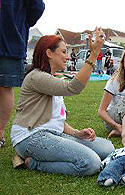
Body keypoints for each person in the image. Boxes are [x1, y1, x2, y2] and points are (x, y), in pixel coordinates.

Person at [11, 28, 115, 176]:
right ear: (49, 53)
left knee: (107, 149)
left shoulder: (52, 79)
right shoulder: (36, 77)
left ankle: (38, 157)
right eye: (64, 52)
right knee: (91, 163)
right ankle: (32, 162)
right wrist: (93, 54)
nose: (67, 57)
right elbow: (74, 88)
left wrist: (77, 133)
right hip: (30, 136)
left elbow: (57, 120)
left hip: (54, 133)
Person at [0, 0, 45, 148]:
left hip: (10, 43)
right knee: (5, 88)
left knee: (5, 87)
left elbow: (37, 7)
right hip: (11, 42)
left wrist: (20, 22)